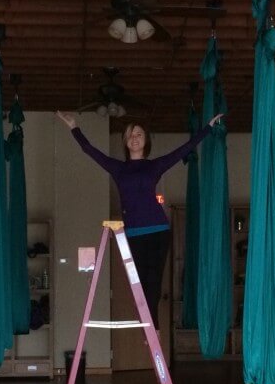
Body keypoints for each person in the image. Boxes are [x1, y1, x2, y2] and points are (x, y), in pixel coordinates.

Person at [56, 110, 225, 329]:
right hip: (134, 233)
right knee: (139, 283)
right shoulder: (118, 168)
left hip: (158, 230)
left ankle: (152, 326)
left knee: (154, 280)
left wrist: (208, 128)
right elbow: (89, 150)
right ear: (126, 142)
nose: (134, 138)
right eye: (130, 135)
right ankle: (148, 325)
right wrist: (73, 127)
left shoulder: (154, 166)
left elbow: (184, 149)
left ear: (146, 140)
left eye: (139, 134)